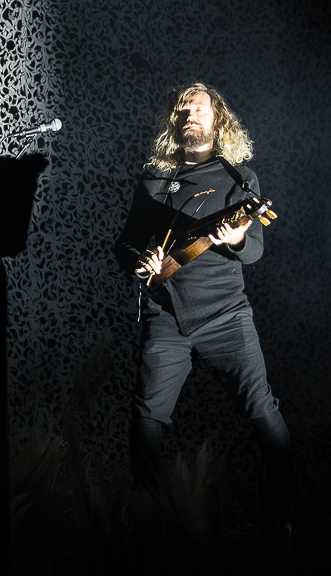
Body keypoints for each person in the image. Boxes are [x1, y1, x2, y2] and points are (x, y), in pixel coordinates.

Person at [113, 83, 293, 519]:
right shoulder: (156, 179)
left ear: (218, 120)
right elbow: (125, 244)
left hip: (225, 314)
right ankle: (151, 517)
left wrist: (237, 239)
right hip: (166, 315)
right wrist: (141, 261)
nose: (189, 115)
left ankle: (286, 512)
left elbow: (254, 251)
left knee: (261, 407)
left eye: (198, 109)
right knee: (147, 416)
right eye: (182, 110)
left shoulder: (240, 179)